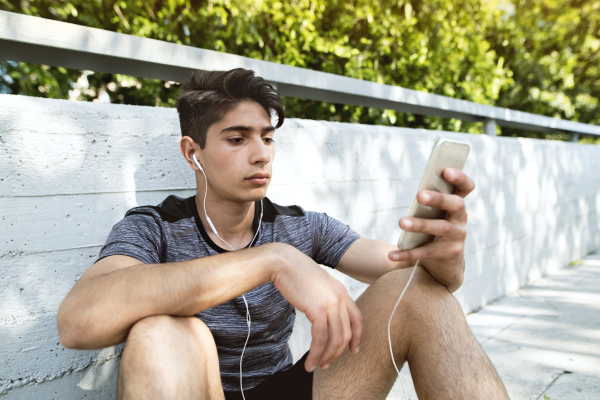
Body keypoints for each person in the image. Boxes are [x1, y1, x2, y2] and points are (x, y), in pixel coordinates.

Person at [57, 68, 510, 400]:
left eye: (267, 138)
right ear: (193, 153)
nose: (261, 156)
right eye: (237, 139)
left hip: (291, 392)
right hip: (194, 388)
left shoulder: (300, 225)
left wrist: (446, 256)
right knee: (164, 331)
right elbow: (78, 322)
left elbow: (409, 275)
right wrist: (273, 261)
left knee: (417, 291)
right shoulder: (154, 227)